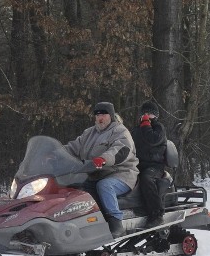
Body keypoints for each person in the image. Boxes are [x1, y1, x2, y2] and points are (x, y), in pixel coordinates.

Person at [64, 101, 139, 238]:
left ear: (111, 115)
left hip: (121, 174)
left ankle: (116, 223)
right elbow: (73, 147)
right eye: (97, 114)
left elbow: (120, 151)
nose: (100, 117)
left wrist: (104, 159)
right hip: (95, 174)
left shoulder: (120, 131)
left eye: (104, 114)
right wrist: (55, 153)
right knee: (72, 187)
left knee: (105, 186)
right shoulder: (89, 133)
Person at [130, 99, 168, 227]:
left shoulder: (159, 128)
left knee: (146, 178)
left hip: (155, 166)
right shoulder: (136, 130)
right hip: (138, 164)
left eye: (150, 114)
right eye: (144, 114)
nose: (146, 116)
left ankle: (157, 214)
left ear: (155, 116)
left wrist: (146, 124)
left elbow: (152, 140)